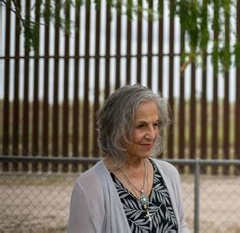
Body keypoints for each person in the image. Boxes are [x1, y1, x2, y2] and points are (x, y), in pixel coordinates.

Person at [67, 84, 189, 233]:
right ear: (116, 129)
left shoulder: (169, 174)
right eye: (141, 126)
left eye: (155, 124)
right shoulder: (90, 186)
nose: (152, 135)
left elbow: (181, 226)